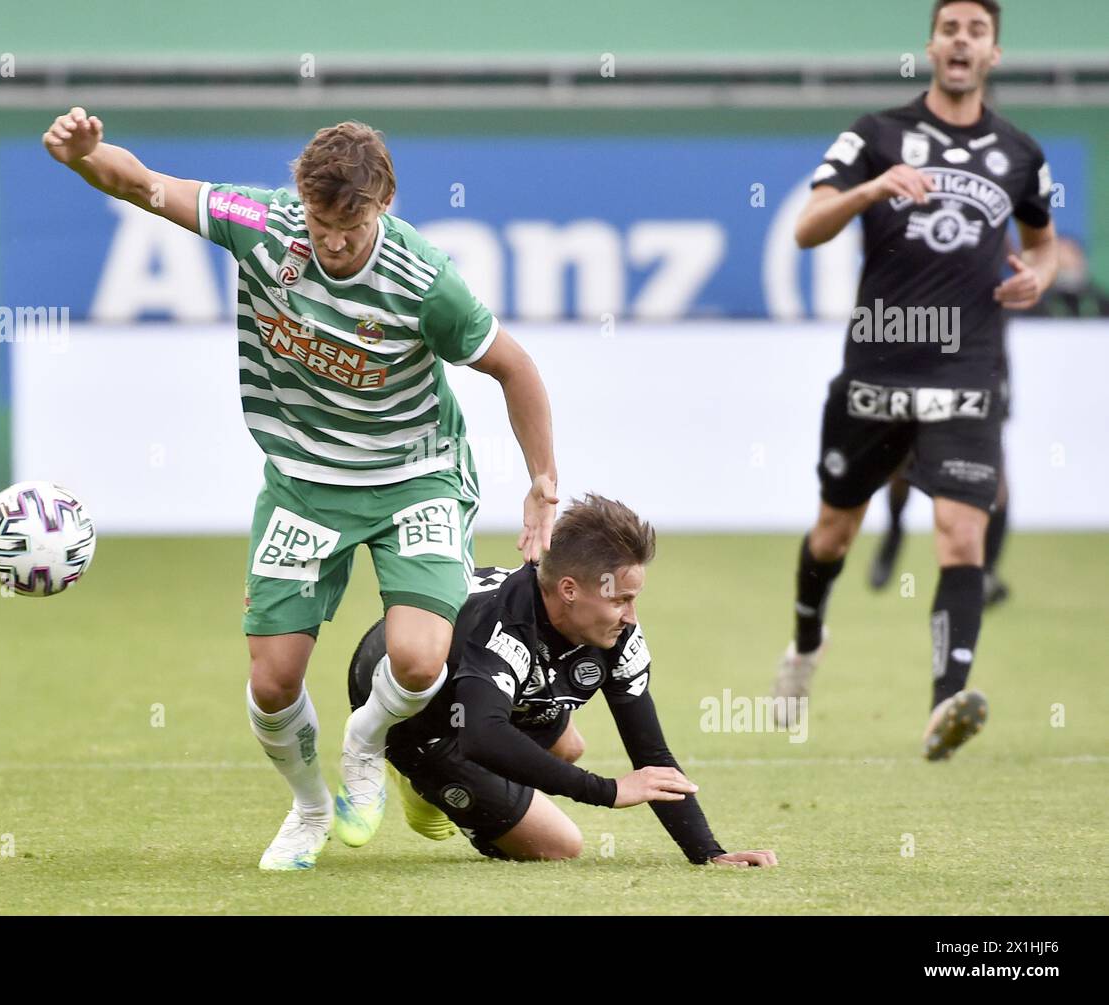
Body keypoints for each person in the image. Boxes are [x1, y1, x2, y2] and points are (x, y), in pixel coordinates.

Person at [42, 109, 559, 870]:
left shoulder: (426, 282)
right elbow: (144, 185)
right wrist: (85, 157)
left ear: (382, 201)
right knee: (273, 679)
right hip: (305, 482)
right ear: (302, 203)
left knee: (420, 659)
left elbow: (515, 367)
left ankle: (364, 743)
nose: (333, 242)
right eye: (321, 224)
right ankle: (310, 806)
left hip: (415, 476)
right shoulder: (262, 225)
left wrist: (543, 482)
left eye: (350, 226)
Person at [772, 0, 1057, 760]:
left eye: (978, 31)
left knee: (962, 532)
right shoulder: (876, 133)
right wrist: (871, 190)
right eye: (951, 28)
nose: (962, 41)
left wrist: (1041, 276)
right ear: (932, 45)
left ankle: (945, 703)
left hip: (968, 368)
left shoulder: (1022, 153)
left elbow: (1044, 242)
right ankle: (804, 644)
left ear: (994, 52)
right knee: (834, 531)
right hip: (877, 365)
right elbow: (807, 226)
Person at [348, 495, 777, 867]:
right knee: (559, 845)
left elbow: (650, 751)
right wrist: (606, 791)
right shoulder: (505, 629)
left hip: (485, 700)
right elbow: (481, 735)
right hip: (409, 708)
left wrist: (708, 852)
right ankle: (421, 777)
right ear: (569, 590)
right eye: (621, 600)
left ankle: (452, 785)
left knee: (569, 746)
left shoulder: (615, 631)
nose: (631, 617)